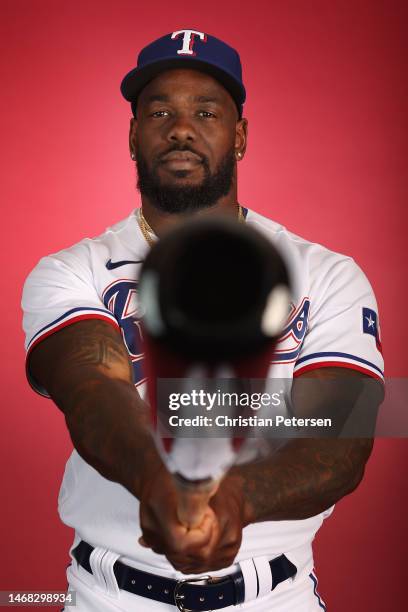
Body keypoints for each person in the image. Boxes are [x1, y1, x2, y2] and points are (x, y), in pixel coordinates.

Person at [22, 30, 384, 611]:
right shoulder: (73, 270)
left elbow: (344, 440)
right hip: (111, 597)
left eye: (206, 112)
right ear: (133, 135)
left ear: (239, 136)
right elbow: (92, 390)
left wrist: (235, 501)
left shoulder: (329, 275)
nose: (181, 129)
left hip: (274, 597)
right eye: (159, 111)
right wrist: (155, 482)